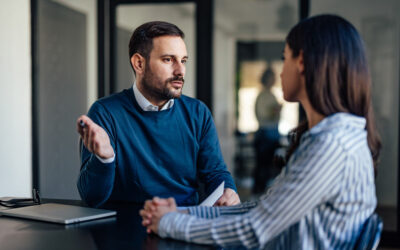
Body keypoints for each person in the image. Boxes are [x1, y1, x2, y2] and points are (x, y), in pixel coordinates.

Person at [139, 14, 382, 249]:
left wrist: (170, 222)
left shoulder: (331, 145)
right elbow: (263, 208)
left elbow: (254, 230)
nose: (280, 71)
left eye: (284, 57)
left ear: (301, 63)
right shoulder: (328, 137)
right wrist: (181, 212)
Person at [76, 21, 239, 208]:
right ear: (139, 63)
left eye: (183, 60)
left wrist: (229, 190)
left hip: (184, 225)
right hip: (126, 228)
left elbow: (215, 173)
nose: (180, 71)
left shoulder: (198, 113)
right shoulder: (105, 113)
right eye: (168, 60)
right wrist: (105, 159)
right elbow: (91, 197)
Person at [252, 67, 282, 194]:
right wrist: (275, 111)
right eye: (272, 77)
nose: (275, 79)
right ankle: (258, 192)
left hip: (272, 134)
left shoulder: (270, 94)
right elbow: (263, 116)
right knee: (262, 166)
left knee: (268, 166)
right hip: (265, 134)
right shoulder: (263, 96)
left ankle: (262, 191)